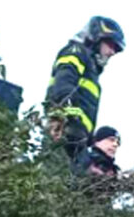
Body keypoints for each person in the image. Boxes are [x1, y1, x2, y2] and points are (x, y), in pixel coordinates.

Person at [44, 16, 125, 165]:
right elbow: (64, 83)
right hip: (64, 135)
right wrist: (62, 118)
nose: (112, 52)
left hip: (77, 141)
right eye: (110, 44)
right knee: (54, 180)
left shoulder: (91, 69)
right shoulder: (76, 52)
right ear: (96, 38)